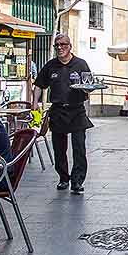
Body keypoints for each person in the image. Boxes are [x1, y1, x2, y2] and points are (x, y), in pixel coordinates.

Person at [34, 33, 94, 194]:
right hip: (58, 110)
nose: (60, 48)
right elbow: (39, 85)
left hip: (77, 110)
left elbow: (89, 85)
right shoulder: (51, 65)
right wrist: (34, 103)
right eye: (57, 45)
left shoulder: (81, 64)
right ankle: (63, 178)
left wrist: (87, 90)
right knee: (59, 149)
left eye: (63, 44)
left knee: (79, 148)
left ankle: (77, 181)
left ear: (70, 46)